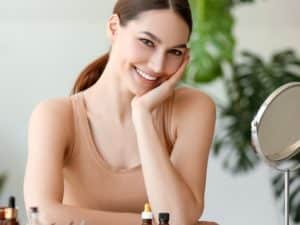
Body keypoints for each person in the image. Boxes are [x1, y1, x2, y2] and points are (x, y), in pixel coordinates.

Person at [24, 1, 217, 225]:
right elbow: (42, 216)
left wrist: (143, 116)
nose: (157, 66)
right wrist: (150, 223)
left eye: (174, 51)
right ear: (114, 28)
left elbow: (180, 218)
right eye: (147, 42)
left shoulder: (193, 108)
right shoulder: (56, 116)